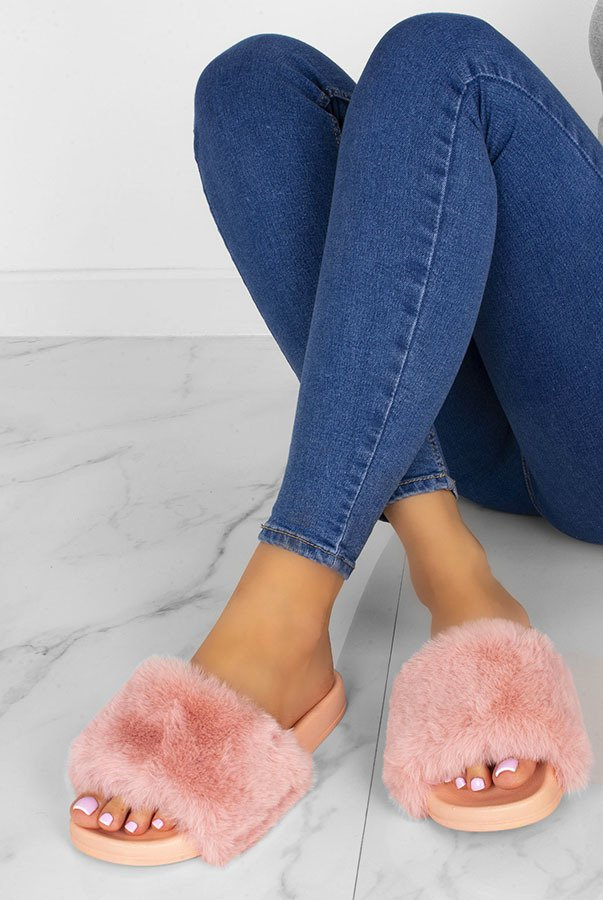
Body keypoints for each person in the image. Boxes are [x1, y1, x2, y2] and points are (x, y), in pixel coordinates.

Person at [68, 10, 602, 848]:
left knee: (446, 56)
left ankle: (289, 592)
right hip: (490, 407)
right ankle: (444, 553)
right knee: (251, 87)